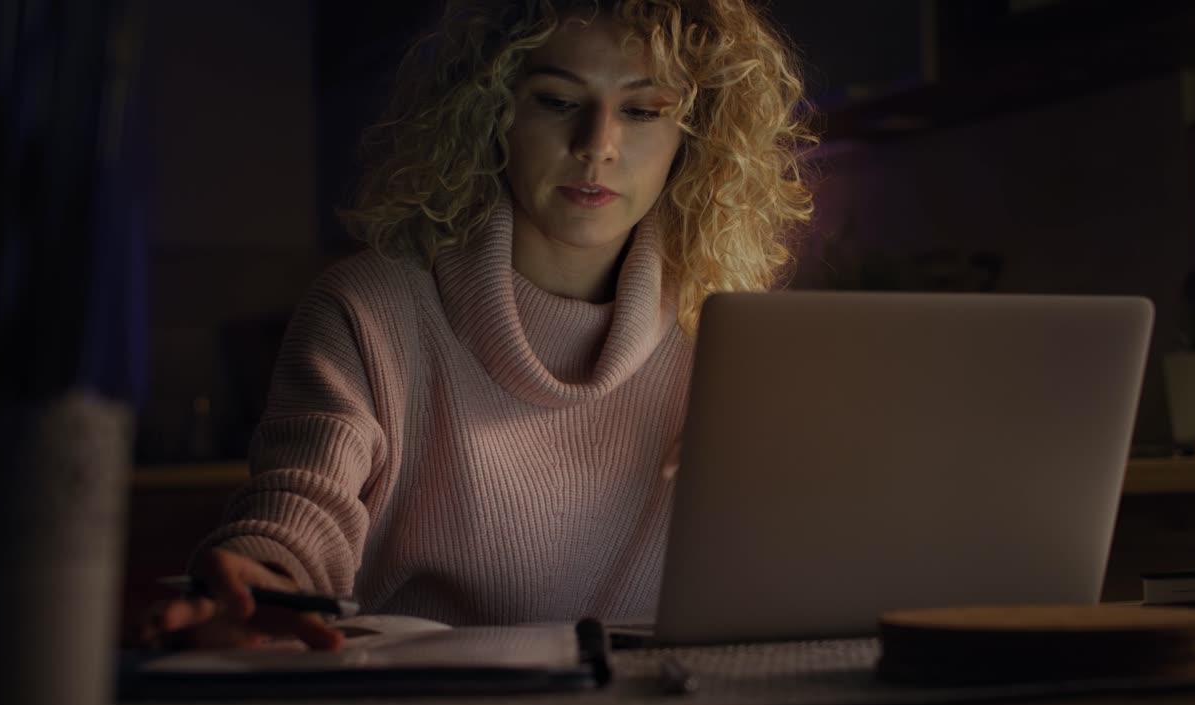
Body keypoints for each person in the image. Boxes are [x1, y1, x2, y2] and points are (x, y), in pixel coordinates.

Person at [145, 0, 813, 650]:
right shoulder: (370, 309)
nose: (596, 146)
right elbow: (304, 500)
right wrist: (263, 580)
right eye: (557, 100)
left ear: (692, 139)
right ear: (492, 109)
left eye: (641, 111)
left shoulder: (724, 335)